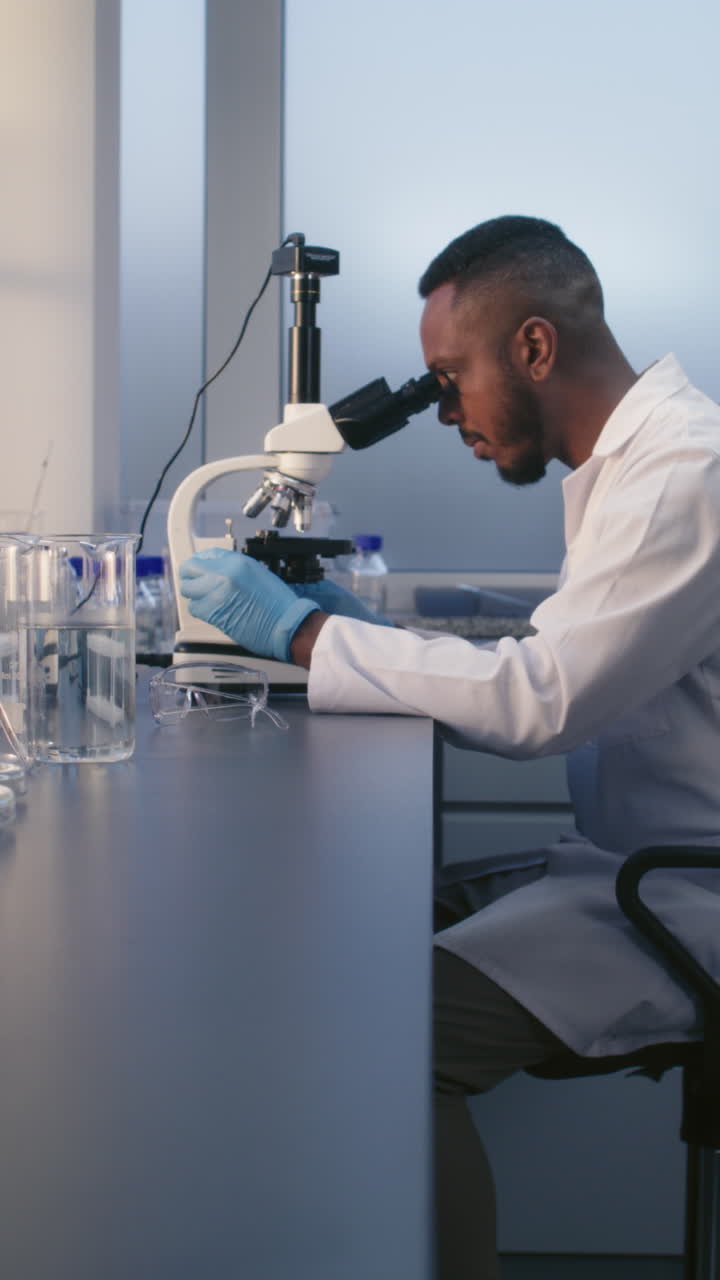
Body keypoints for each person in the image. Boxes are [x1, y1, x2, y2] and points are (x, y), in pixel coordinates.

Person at [178, 215, 720, 1279]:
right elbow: (571, 652)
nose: (442, 411)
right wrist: (361, 633)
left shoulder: (683, 474)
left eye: (447, 376)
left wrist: (308, 632)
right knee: (356, 940)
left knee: (392, 1042)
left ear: (531, 347)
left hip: (688, 890)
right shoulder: (643, 461)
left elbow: (541, 700)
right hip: (636, 868)